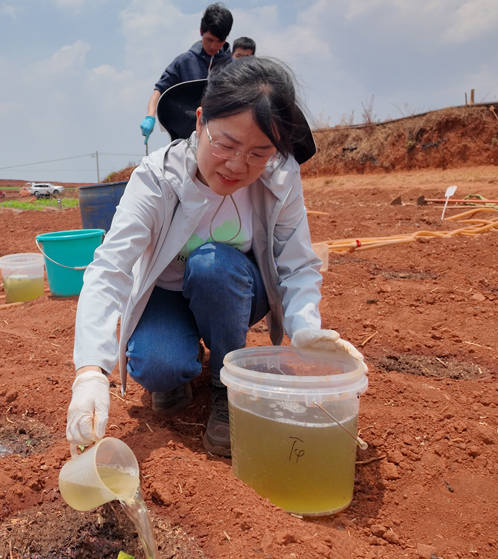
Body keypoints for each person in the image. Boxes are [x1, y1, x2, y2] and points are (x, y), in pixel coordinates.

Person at [69, 57, 363, 458]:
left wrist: (305, 326)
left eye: (260, 153)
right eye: (226, 144)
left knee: (211, 264)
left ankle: (227, 387)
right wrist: (90, 372)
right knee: (157, 366)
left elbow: (296, 262)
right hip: (168, 294)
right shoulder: (159, 176)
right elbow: (110, 267)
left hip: (234, 286)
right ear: (201, 120)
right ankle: (179, 361)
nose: (238, 165)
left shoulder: (281, 175)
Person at [140, 3, 233, 145]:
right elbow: (159, 90)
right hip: (187, 138)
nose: (213, 46)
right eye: (209, 40)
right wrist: (150, 116)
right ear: (201, 31)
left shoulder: (233, 66)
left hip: (223, 138)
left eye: (219, 42)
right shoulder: (184, 62)